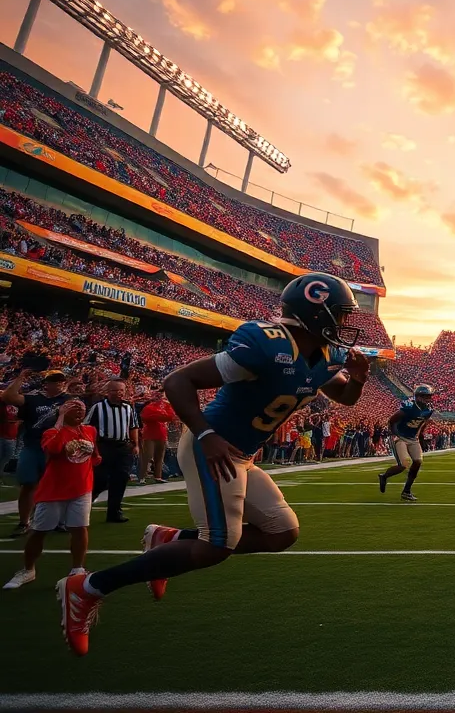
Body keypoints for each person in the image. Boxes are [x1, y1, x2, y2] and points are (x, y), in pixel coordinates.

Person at [55, 272, 369, 656]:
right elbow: (178, 381)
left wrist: (358, 380)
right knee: (217, 545)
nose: (345, 324)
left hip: (242, 456)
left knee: (281, 533)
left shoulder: (326, 353)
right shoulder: (266, 344)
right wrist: (206, 434)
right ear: (316, 312)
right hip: (212, 448)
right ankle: (88, 587)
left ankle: (168, 540)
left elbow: (346, 397)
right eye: (339, 314)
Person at [4, 399, 98, 590]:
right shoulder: (52, 432)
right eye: (74, 408)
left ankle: (77, 569)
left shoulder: (90, 431)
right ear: (62, 412)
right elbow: (53, 448)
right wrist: (61, 417)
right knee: (39, 531)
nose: (80, 411)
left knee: (80, 528)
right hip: (54, 490)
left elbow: (95, 457)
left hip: (81, 488)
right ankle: (28, 569)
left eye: (82, 408)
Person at [2, 369, 74, 536]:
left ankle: (57, 520)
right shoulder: (33, 398)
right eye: (55, 380)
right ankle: (24, 521)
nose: (59, 383)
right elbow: (8, 397)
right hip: (33, 446)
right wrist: (20, 378)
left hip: (57, 448)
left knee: (57, 485)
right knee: (28, 484)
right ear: (46, 383)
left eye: (61, 381)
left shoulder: (67, 399)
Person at [87, 380, 141, 523]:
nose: (119, 393)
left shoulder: (128, 408)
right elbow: (87, 427)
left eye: (121, 390)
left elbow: (133, 426)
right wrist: (93, 447)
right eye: (115, 390)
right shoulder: (98, 407)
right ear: (108, 392)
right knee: (100, 480)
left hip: (123, 447)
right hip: (104, 446)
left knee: (121, 478)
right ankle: (84, 508)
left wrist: (135, 444)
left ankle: (114, 512)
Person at [379, 385, 434, 502]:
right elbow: (392, 420)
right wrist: (395, 434)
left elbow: (422, 423)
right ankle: (384, 476)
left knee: (418, 461)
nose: (427, 399)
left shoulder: (428, 410)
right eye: (424, 396)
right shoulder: (409, 407)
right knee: (404, 465)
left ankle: (406, 491)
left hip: (413, 438)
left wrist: (421, 437)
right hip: (401, 437)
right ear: (418, 396)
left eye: (428, 396)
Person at [137, 386, 175, 484]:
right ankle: (142, 477)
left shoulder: (165, 405)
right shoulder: (148, 406)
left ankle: (158, 476)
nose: (159, 396)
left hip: (161, 433)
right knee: (147, 456)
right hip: (149, 434)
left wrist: (155, 416)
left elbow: (170, 416)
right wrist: (160, 416)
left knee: (159, 456)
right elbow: (144, 417)